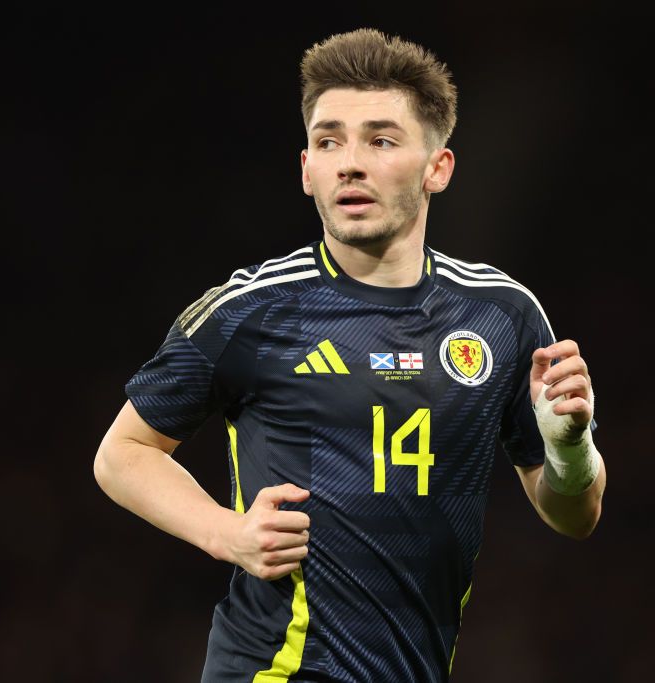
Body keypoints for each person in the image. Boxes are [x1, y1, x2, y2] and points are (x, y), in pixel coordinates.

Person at [94, 27, 607, 682]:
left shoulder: (502, 317)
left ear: (437, 168)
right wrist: (226, 532)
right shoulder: (252, 309)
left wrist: (570, 448)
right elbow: (122, 454)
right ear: (306, 169)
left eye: (381, 140)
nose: (350, 162)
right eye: (329, 140)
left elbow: (574, 513)